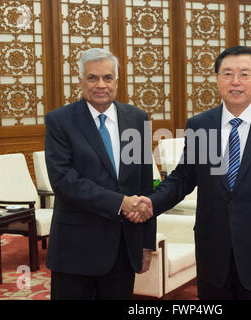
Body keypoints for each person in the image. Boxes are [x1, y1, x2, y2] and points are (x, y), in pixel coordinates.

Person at [126, 46, 251, 300]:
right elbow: (183, 179)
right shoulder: (201, 125)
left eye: (244, 74)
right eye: (227, 74)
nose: (235, 81)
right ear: (216, 79)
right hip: (213, 251)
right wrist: (151, 202)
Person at [45, 48, 155, 300]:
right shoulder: (60, 121)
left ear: (117, 80)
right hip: (75, 250)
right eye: (92, 78)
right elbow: (64, 182)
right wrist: (120, 202)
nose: (100, 85)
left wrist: (147, 243)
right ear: (80, 81)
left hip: (122, 247)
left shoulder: (137, 119)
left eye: (107, 77)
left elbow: (144, 184)